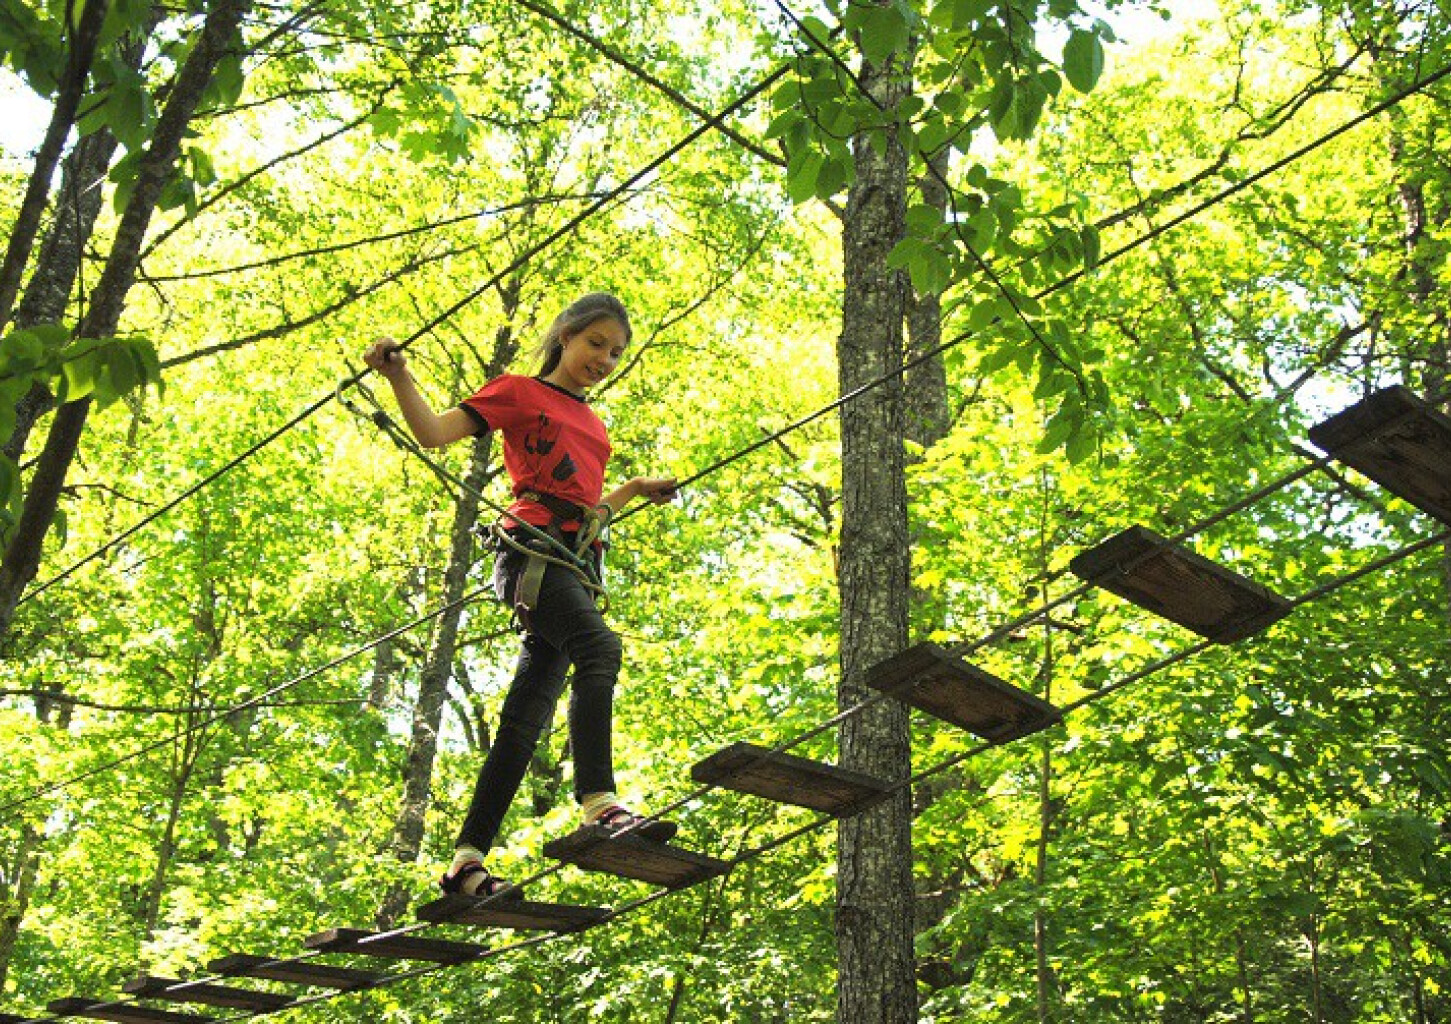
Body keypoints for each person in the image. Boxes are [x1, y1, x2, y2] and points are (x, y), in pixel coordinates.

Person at [362, 291, 680, 901]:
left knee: (523, 721)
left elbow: (587, 512)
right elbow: (433, 433)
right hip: (532, 557)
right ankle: (599, 804)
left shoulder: (594, 423)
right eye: (595, 343)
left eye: (614, 352)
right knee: (599, 649)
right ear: (565, 334)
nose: (604, 359)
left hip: (575, 562)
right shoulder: (518, 391)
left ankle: (465, 863)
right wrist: (399, 375)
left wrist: (634, 488)